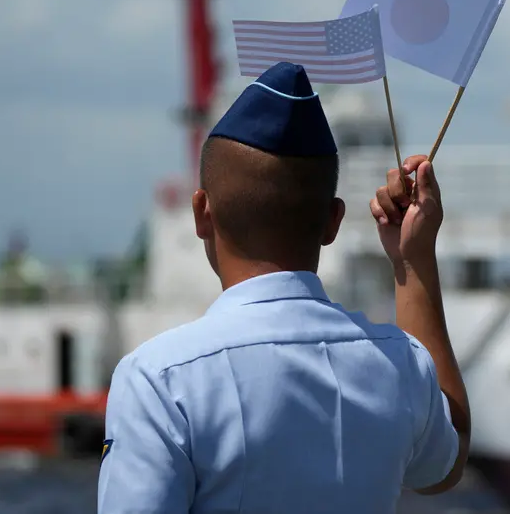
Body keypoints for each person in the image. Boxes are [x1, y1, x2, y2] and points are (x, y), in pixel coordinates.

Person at [98, 61, 470, 514]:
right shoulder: (400, 364)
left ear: (201, 213)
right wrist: (413, 260)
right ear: (333, 221)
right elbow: (447, 459)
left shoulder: (160, 379)